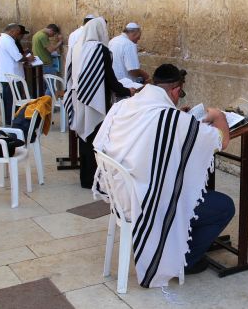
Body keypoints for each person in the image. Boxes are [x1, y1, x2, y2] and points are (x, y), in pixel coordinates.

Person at [92, 63, 234, 288]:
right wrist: (218, 116)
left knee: (194, 193)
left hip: (121, 193)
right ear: (176, 90)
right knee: (224, 206)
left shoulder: (124, 106)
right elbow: (221, 141)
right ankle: (184, 261)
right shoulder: (172, 119)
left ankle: (180, 241)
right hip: (146, 202)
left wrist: (180, 118)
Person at [64, 17, 135, 189]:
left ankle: (85, 178)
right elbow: (109, 79)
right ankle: (96, 179)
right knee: (97, 138)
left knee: (84, 136)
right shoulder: (100, 50)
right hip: (96, 101)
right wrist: (127, 91)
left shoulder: (76, 47)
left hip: (78, 98)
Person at [0, 23, 34, 125]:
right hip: (11, 77)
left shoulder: (1, 39)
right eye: (17, 33)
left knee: (10, 100)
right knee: (11, 101)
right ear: (12, 31)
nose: (18, 35)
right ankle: (10, 121)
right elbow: (18, 58)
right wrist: (29, 58)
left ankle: (11, 120)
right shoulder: (8, 41)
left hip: (7, 76)